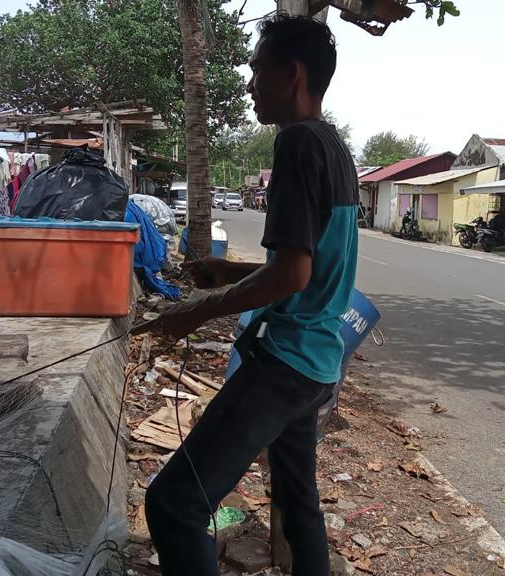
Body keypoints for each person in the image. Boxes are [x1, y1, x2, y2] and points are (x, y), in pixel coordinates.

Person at [144, 14, 358, 576]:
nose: (249, 83)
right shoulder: (334, 146)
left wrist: (193, 312)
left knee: (174, 504)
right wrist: (228, 270)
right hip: (317, 363)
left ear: (291, 73)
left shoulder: (296, 144)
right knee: (297, 502)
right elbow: (311, 264)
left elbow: (290, 277)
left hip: (283, 362)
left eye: (256, 69)